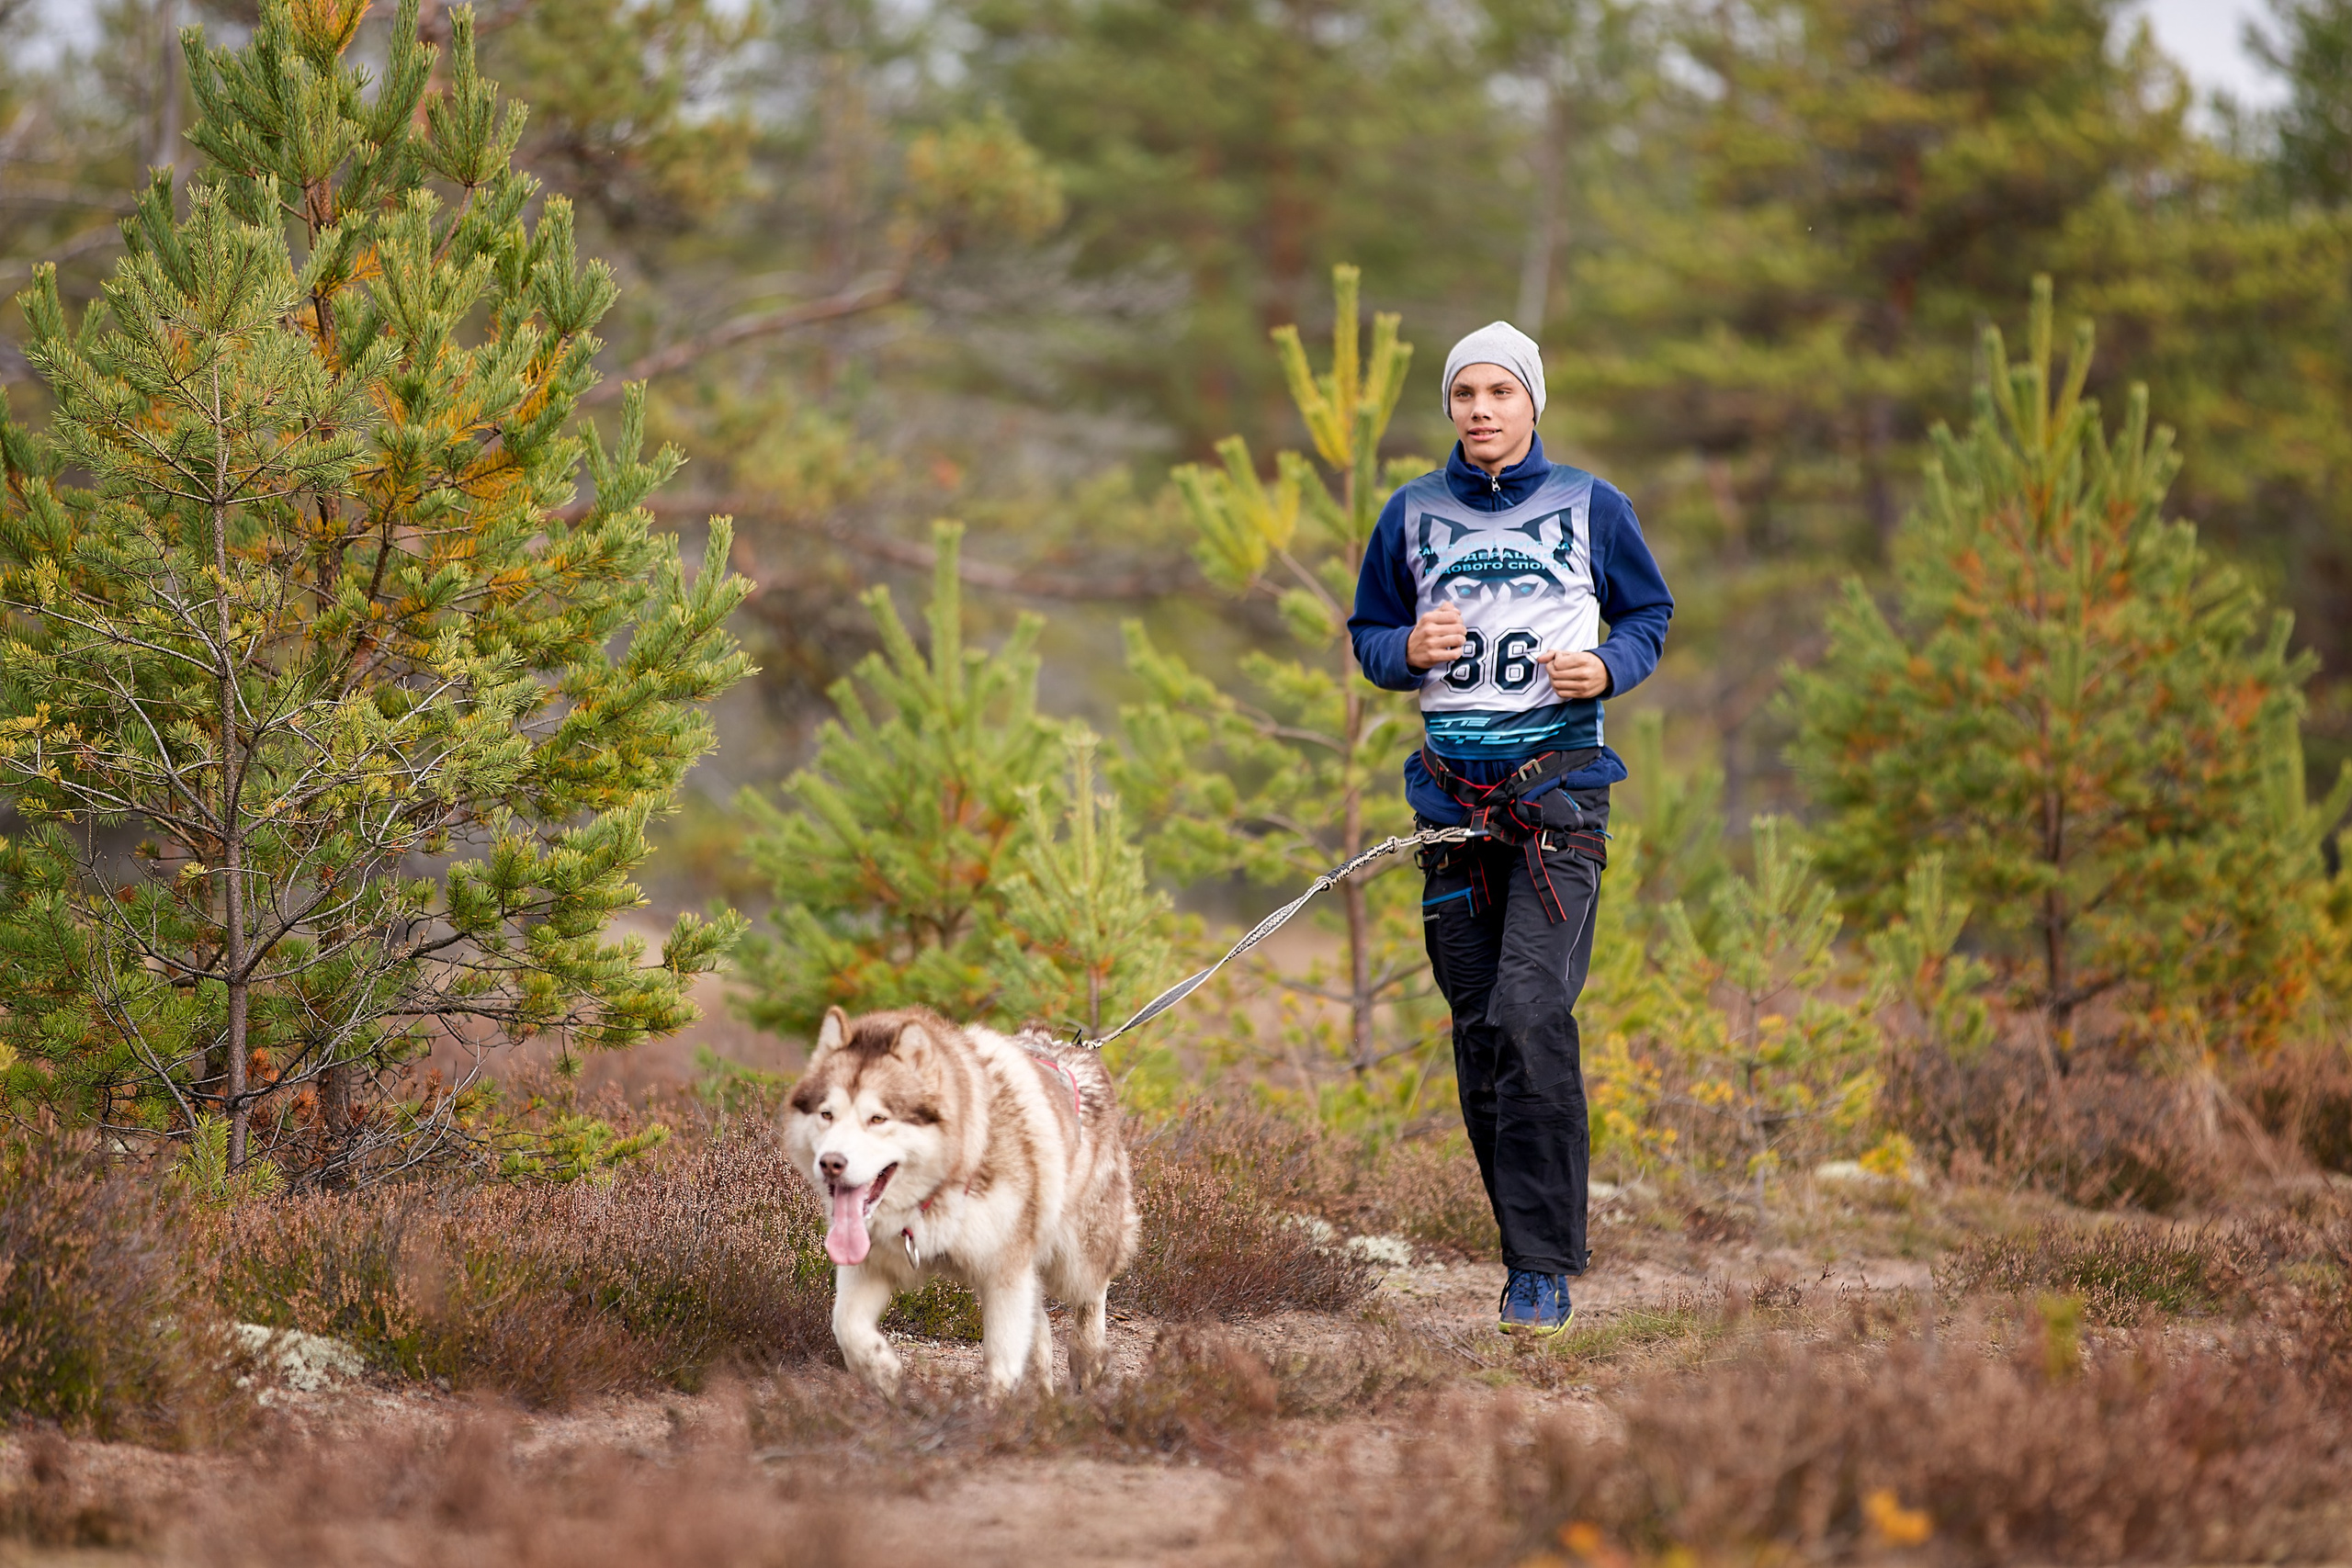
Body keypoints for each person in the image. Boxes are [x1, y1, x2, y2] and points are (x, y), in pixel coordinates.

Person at [1349, 322, 1673, 1336]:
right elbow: (1367, 636)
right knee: (1483, 1031)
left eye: (1498, 392)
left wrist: (1608, 668)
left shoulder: (1594, 505)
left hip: (1559, 798)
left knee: (1531, 1014)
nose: (1480, 410)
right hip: (1451, 807)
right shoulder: (1410, 512)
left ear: (1533, 401)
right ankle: (1524, 1254)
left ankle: (1541, 1270)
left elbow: (1648, 615)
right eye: (1463, 395)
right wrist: (1406, 645)